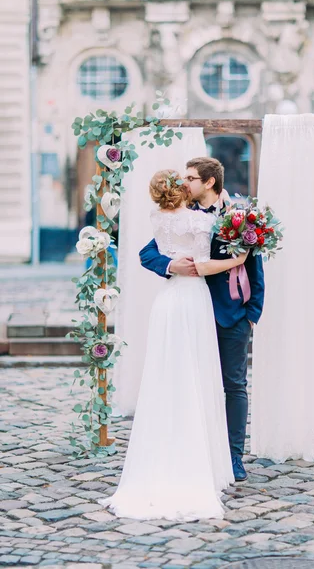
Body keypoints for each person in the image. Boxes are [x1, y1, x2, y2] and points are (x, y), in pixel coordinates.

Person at [101, 170, 248, 521]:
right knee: (197, 374)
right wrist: (236, 259)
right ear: (183, 190)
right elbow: (196, 262)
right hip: (194, 301)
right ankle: (199, 459)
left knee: (167, 376)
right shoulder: (200, 222)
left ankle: (173, 451)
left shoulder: (157, 218)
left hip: (167, 303)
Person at [139, 157, 265, 481]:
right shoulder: (183, 218)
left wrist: (252, 314)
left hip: (230, 314)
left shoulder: (238, 217)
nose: (185, 183)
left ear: (209, 182)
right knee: (192, 384)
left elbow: (254, 265)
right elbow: (148, 252)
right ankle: (199, 454)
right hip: (189, 310)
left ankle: (234, 457)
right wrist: (171, 266)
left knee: (233, 386)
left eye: (191, 178)